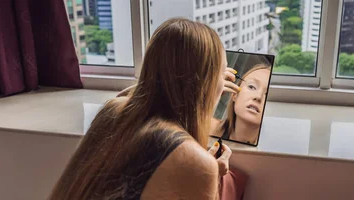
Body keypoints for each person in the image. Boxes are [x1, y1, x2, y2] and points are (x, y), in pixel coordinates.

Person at [49, 18, 240, 200]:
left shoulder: (112, 112)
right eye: (221, 73)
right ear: (204, 83)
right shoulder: (197, 163)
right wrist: (212, 175)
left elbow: (137, 94)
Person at [212, 64, 271, 145]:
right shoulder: (209, 127)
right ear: (234, 95)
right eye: (251, 87)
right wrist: (208, 95)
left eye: (268, 94)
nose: (258, 97)